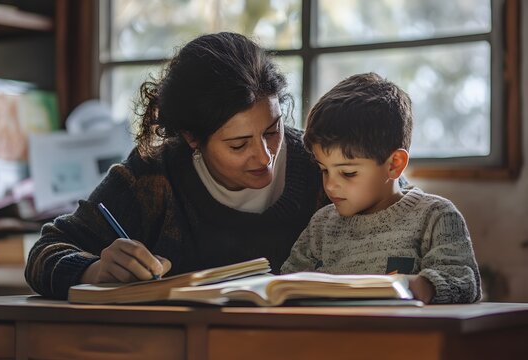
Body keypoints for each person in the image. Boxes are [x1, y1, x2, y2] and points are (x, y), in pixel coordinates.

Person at [25, 32, 328, 299]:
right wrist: (94, 270)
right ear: (192, 137)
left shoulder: (322, 165)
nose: (264, 157)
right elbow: (43, 255)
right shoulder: (153, 175)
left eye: (273, 131)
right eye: (239, 145)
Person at [281, 72, 481, 304]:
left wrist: (423, 286)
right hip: (331, 337)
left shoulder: (435, 217)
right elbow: (287, 281)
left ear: (394, 165)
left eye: (348, 173)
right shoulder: (321, 225)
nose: (331, 184)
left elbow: (464, 281)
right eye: (324, 170)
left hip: (401, 337)